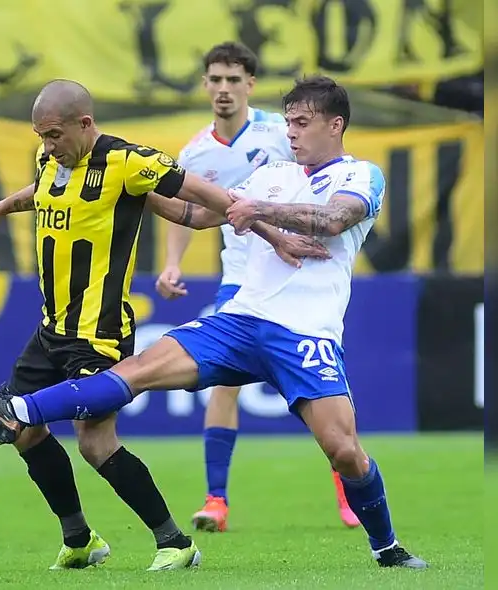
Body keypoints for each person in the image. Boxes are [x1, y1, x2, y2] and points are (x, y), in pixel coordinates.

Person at [0, 75, 429, 569]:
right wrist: (130, 184)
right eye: (287, 123)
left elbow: (333, 220)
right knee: (133, 373)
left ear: (336, 124)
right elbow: (196, 214)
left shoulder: (361, 174)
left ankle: (387, 548)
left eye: (302, 123)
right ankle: (20, 411)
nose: (291, 133)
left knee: (343, 449)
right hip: (239, 321)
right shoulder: (271, 175)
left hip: (307, 335)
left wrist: (254, 210)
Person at [155, 42, 360, 532]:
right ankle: (216, 500)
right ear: (205, 85)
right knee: (223, 384)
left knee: (325, 395)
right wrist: (170, 263)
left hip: (298, 277)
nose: (223, 89)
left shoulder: (283, 132)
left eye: (233, 79)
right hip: (240, 280)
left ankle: (349, 494)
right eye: (215, 80)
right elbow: (190, 212)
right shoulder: (195, 151)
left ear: (249, 84)